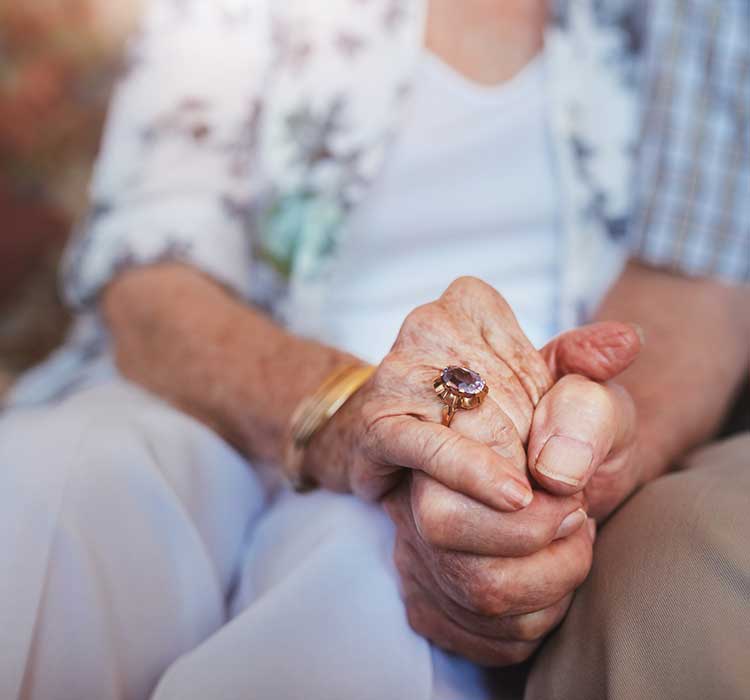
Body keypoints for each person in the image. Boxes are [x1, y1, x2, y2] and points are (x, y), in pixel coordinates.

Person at [1, 0, 748, 698]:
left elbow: (696, 283)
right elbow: (153, 273)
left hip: (501, 440)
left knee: (365, 585)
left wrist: (573, 452)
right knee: (52, 488)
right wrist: (350, 413)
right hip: (217, 396)